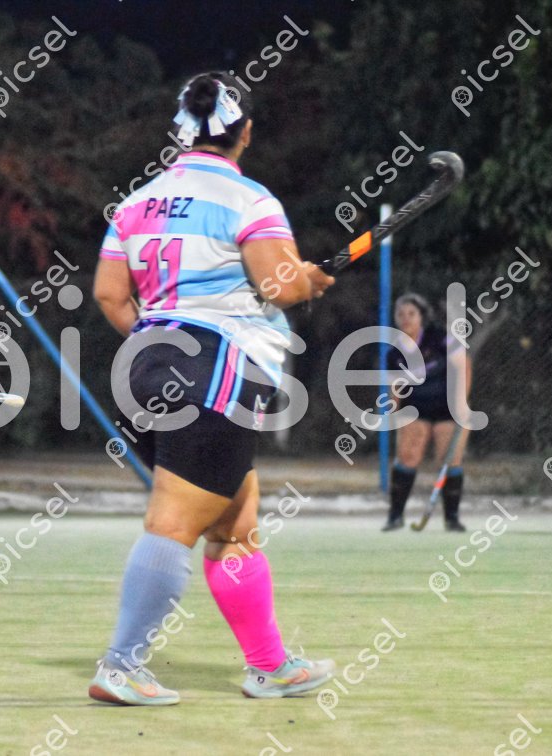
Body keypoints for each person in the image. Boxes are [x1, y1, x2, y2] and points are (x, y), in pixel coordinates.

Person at [89, 72, 336, 705]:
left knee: (235, 523)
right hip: (217, 370)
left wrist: (160, 343)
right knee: (172, 521)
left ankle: (270, 666)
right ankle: (120, 667)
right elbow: (281, 287)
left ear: (182, 130)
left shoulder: (136, 203)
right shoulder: (249, 199)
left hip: (142, 365)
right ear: (244, 132)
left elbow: (111, 296)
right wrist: (305, 279)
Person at [381, 293, 470, 532]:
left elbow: (463, 365)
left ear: (421, 317)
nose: (406, 319)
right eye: (400, 314)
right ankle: (395, 516)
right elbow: (395, 387)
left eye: (411, 314)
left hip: (447, 406)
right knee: (408, 456)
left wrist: (462, 402)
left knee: (450, 459)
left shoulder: (439, 338)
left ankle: (452, 519)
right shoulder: (394, 353)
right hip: (415, 407)